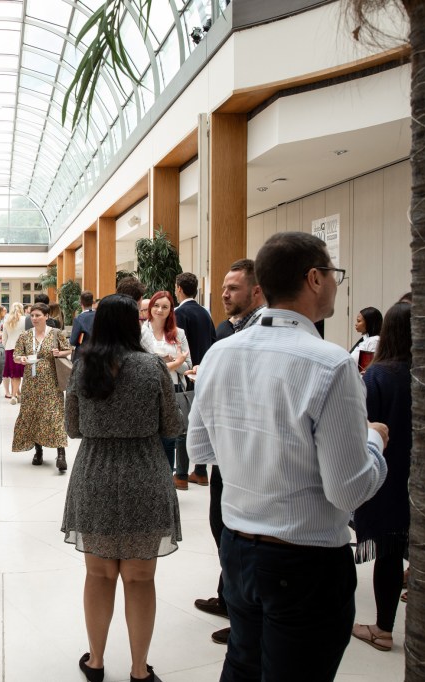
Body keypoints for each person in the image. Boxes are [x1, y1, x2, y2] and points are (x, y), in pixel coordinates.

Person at [187, 232, 388, 681]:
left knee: (242, 665)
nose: (335, 284)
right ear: (315, 278)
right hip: (305, 559)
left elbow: (199, 449)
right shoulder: (331, 363)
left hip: (237, 549)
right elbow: (349, 490)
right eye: (333, 274)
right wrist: (374, 442)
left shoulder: (219, 354)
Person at [61, 294, 183, 682]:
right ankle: (139, 670)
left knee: (98, 576)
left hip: (94, 473)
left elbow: (72, 428)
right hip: (145, 472)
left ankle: (96, 662)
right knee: (140, 579)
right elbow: (172, 426)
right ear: (134, 324)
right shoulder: (152, 366)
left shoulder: (84, 366)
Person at [191, 258, 267, 645]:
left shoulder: (262, 333)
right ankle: (228, 598)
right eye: (223, 287)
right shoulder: (232, 329)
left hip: (246, 451)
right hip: (227, 449)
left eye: (233, 288)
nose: (224, 294)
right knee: (223, 527)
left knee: (236, 532)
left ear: (257, 291)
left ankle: (242, 617)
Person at [351, 302, 413, 652]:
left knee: (388, 551)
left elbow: (364, 427)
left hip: (388, 476)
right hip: (423, 478)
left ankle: (383, 628)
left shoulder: (378, 375)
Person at [12, 302, 72, 472]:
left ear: (46, 316)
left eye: (38, 315)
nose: (34, 318)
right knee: (35, 414)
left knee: (55, 415)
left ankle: (61, 454)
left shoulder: (56, 333)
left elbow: (68, 350)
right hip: (31, 383)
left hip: (51, 382)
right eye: (32, 315)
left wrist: (59, 353)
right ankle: (38, 451)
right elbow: (16, 355)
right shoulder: (25, 335)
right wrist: (21, 359)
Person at [140, 291, 191, 489]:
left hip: (172, 389)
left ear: (171, 310)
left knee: (170, 438)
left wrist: (175, 362)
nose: (159, 310)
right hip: (149, 390)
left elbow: (187, 367)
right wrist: (172, 362)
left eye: (165, 307)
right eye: (156, 305)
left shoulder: (179, 334)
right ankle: (150, 484)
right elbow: (141, 366)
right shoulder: (141, 332)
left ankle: (166, 485)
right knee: (150, 438)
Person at [174, 272, 216, 486]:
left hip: (187, 374)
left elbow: (178, 346)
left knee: (184, 422)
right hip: (205, 372)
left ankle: (181, 474)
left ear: (179, 289)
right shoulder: (205, 313)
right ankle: (200, 471)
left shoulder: (179, 314)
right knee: (202, 422)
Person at [1, 302, 27, 402]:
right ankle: (13, 395)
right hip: (21, 349)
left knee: (14, 373)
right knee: (18, 374)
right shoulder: (25, 320)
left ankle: (18, 394)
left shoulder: (7, 321)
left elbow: (4, 338)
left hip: (9, 348)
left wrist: (4, 349)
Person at [69, 290, 96, 362]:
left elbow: (73, 341)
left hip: (84, 356)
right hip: (100, 353)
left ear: (80, 303)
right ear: (93, 302)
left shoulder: (79, 319)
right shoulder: (101, 315)